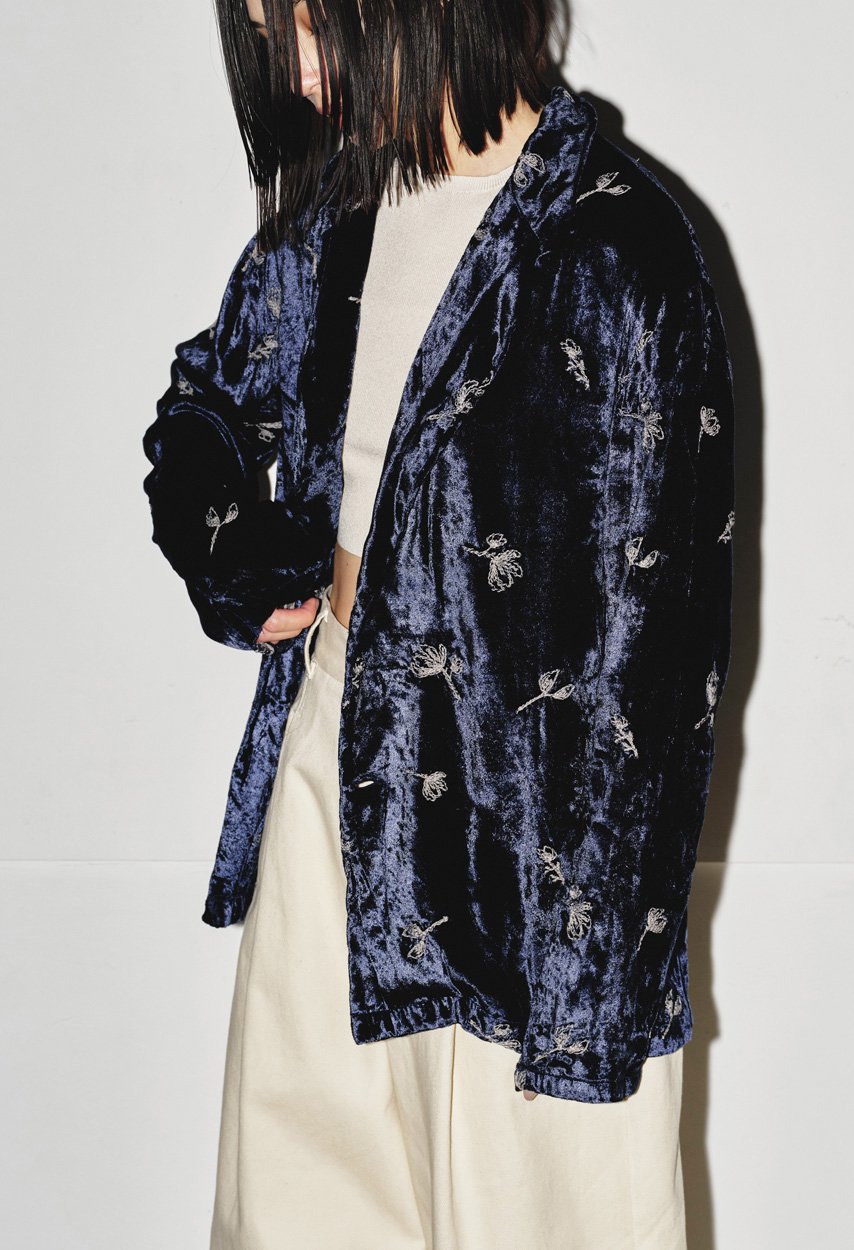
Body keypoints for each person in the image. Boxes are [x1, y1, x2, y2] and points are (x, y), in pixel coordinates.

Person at [142, 1, 735, 1246]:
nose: (299, 71)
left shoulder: (617, 243)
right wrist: (235, 553)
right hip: (331, 763)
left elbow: (656, 658)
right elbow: (206, 407)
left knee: (547, 1213)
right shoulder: (338, 218)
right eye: (268, 35)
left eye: (312, 24)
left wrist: (586, 1003)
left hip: (533, 857)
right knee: (299, 1209)